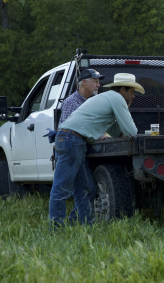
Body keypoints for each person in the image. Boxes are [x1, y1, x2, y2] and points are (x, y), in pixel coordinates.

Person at [48, 73, 143, 227]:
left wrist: (125, 109)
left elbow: (114, 131)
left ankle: (84, 226)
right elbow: (132, 132)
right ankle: (55, 229)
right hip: (71, 140)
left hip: (71, 140)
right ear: (123, 89)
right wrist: (125, 110)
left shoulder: (109, 98)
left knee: (85, 190)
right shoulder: (117, 98)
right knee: (62, 189)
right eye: (132, 92)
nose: (134, 96)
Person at [58, 69, 104, 224]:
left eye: (98, 81)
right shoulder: (72, 102)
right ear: (84, 82)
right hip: (71, 147)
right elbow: (70, 129)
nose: (99, 85)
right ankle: (56, 227)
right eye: (95, 81)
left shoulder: (89, 103)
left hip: (80, 149)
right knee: (62, 190)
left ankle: (74, 222)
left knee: (89, 188)